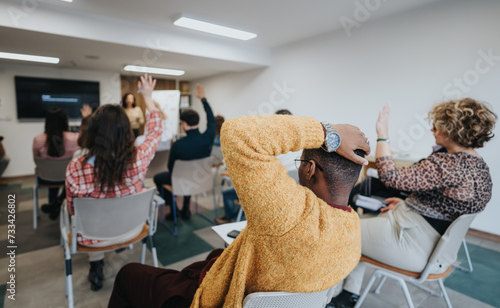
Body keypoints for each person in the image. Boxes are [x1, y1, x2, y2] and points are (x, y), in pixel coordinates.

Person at [108, 114, 371, 308]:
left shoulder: (288, 212)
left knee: (128, 274)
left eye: (301, 162)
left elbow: (237, 133)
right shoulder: (354, 230)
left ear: (310, 169)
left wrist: (327, 132)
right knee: (212, 256)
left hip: (209, 300)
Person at [328, 98, 497, 308]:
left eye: (438, 125)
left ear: (451, 130)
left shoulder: (448, 163)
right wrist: (408, 204)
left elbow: (390, 176)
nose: (433, 129)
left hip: (414, 244)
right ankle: (349, 295)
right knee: (356, 226)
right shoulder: (479, 166)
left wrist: (382, 133)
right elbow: (448, 206)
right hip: (437, 250)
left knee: (338, 232)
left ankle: (326, 299)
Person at [65, 74, 161, 292]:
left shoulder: (76, 167)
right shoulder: (140, 157)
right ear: (126, 130)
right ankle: (116, 251)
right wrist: (148, 98)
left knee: (90, 219)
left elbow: (73, 209)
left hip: (92, 237)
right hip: (132, 229)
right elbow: (155, 133)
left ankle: (96, 269)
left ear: (94, 131)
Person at [153, 83, 215, 220]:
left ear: (185, 124)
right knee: (190, 173)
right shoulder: (208, 138)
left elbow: (171, 168)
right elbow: (212, 120)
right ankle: (185, 208)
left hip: (181, 182)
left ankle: (174, 207)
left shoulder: (178, 145)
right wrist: (203, 99)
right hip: (200, 180)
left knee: (158, 178)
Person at [33, 108, 79, 219]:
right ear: (65, 121)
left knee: (53, 174)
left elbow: (36, 160)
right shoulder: (75, 138)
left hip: (46, 178)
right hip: (69, 179)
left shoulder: (38, 139)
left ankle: (55, 204)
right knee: (67, 175)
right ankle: (58, 203)